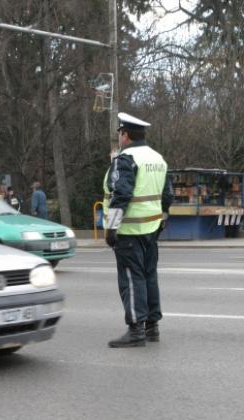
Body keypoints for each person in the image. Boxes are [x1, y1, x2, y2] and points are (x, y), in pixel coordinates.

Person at [103, 112, 174, 348]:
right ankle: (152, 327)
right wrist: (162, 220)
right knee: (149, 276)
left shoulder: (126, 159)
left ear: (126, 135)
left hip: (130, 230)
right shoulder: (158, 159)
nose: (120, 139)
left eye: (120, 134)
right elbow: (167, 195)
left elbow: (120, 194)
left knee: (132, 279)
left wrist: (111, 228)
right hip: (151, 229)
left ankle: (135, 330)